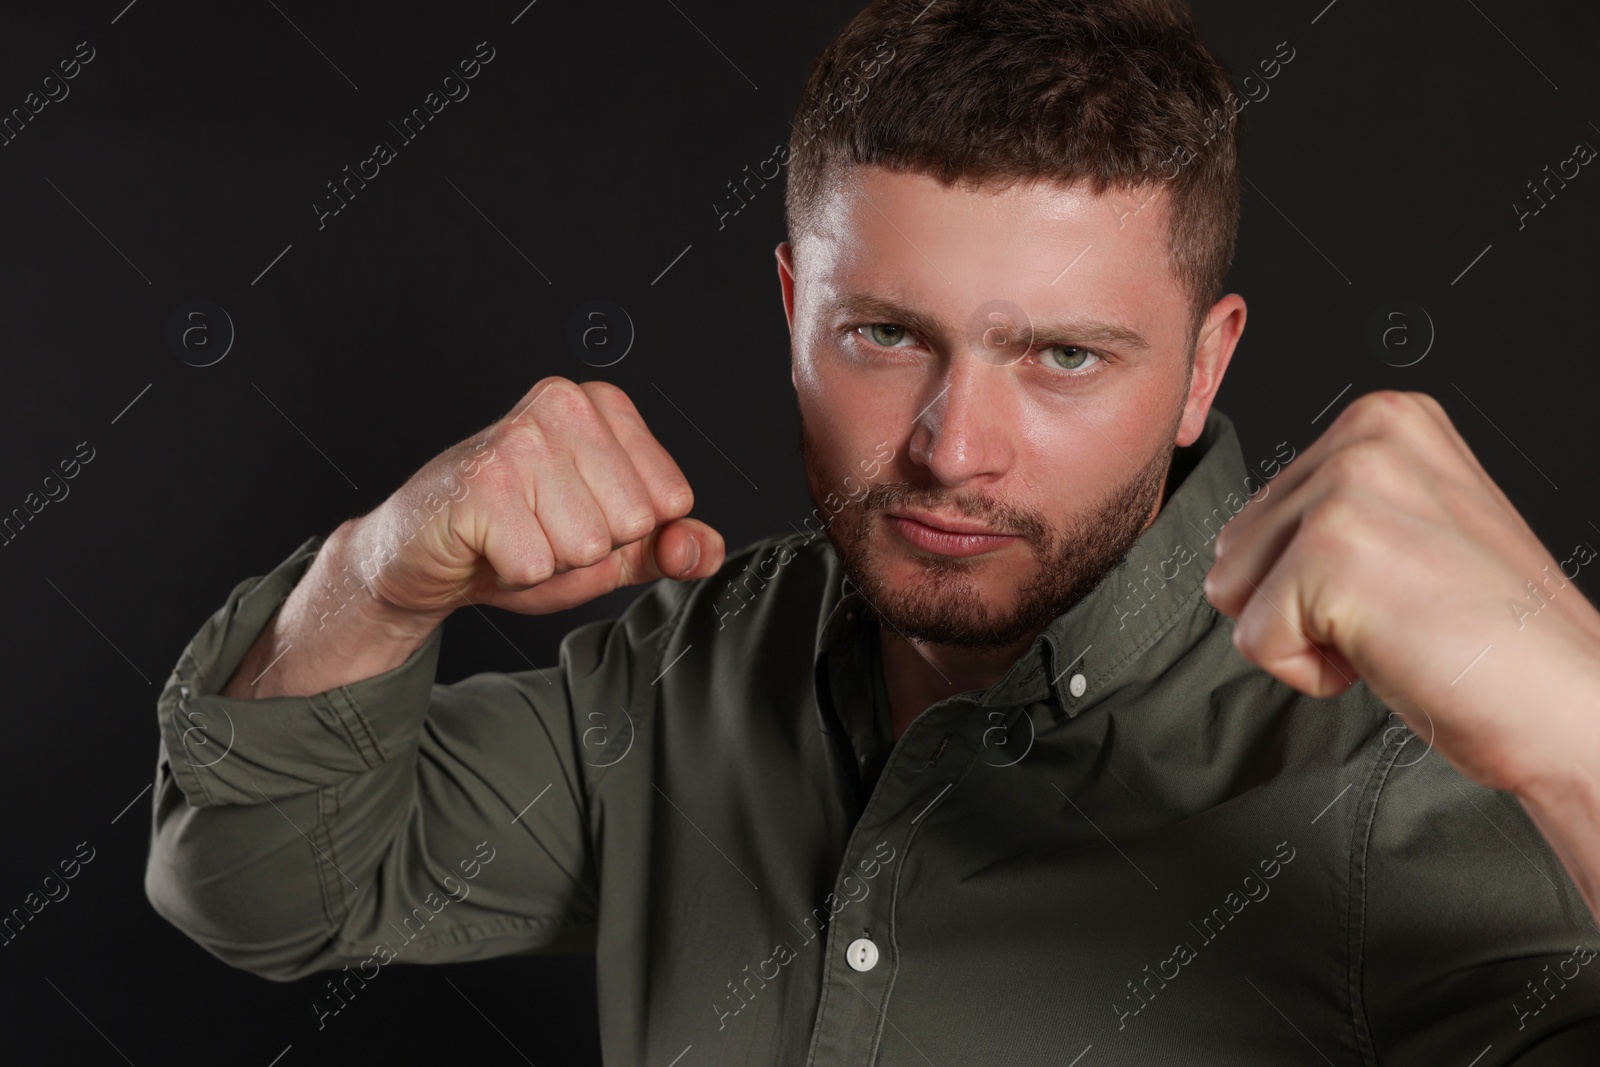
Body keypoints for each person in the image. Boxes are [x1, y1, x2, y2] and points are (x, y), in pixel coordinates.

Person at [145, 0, 1600, 1063]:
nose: (953, 451)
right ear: (793, 314)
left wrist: (1582, 728)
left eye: (1065, 358)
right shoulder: (688, 677)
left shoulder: (1392, 769)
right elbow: (258, 889)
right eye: (889, 335)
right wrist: (381, 578)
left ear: (1203, 369)